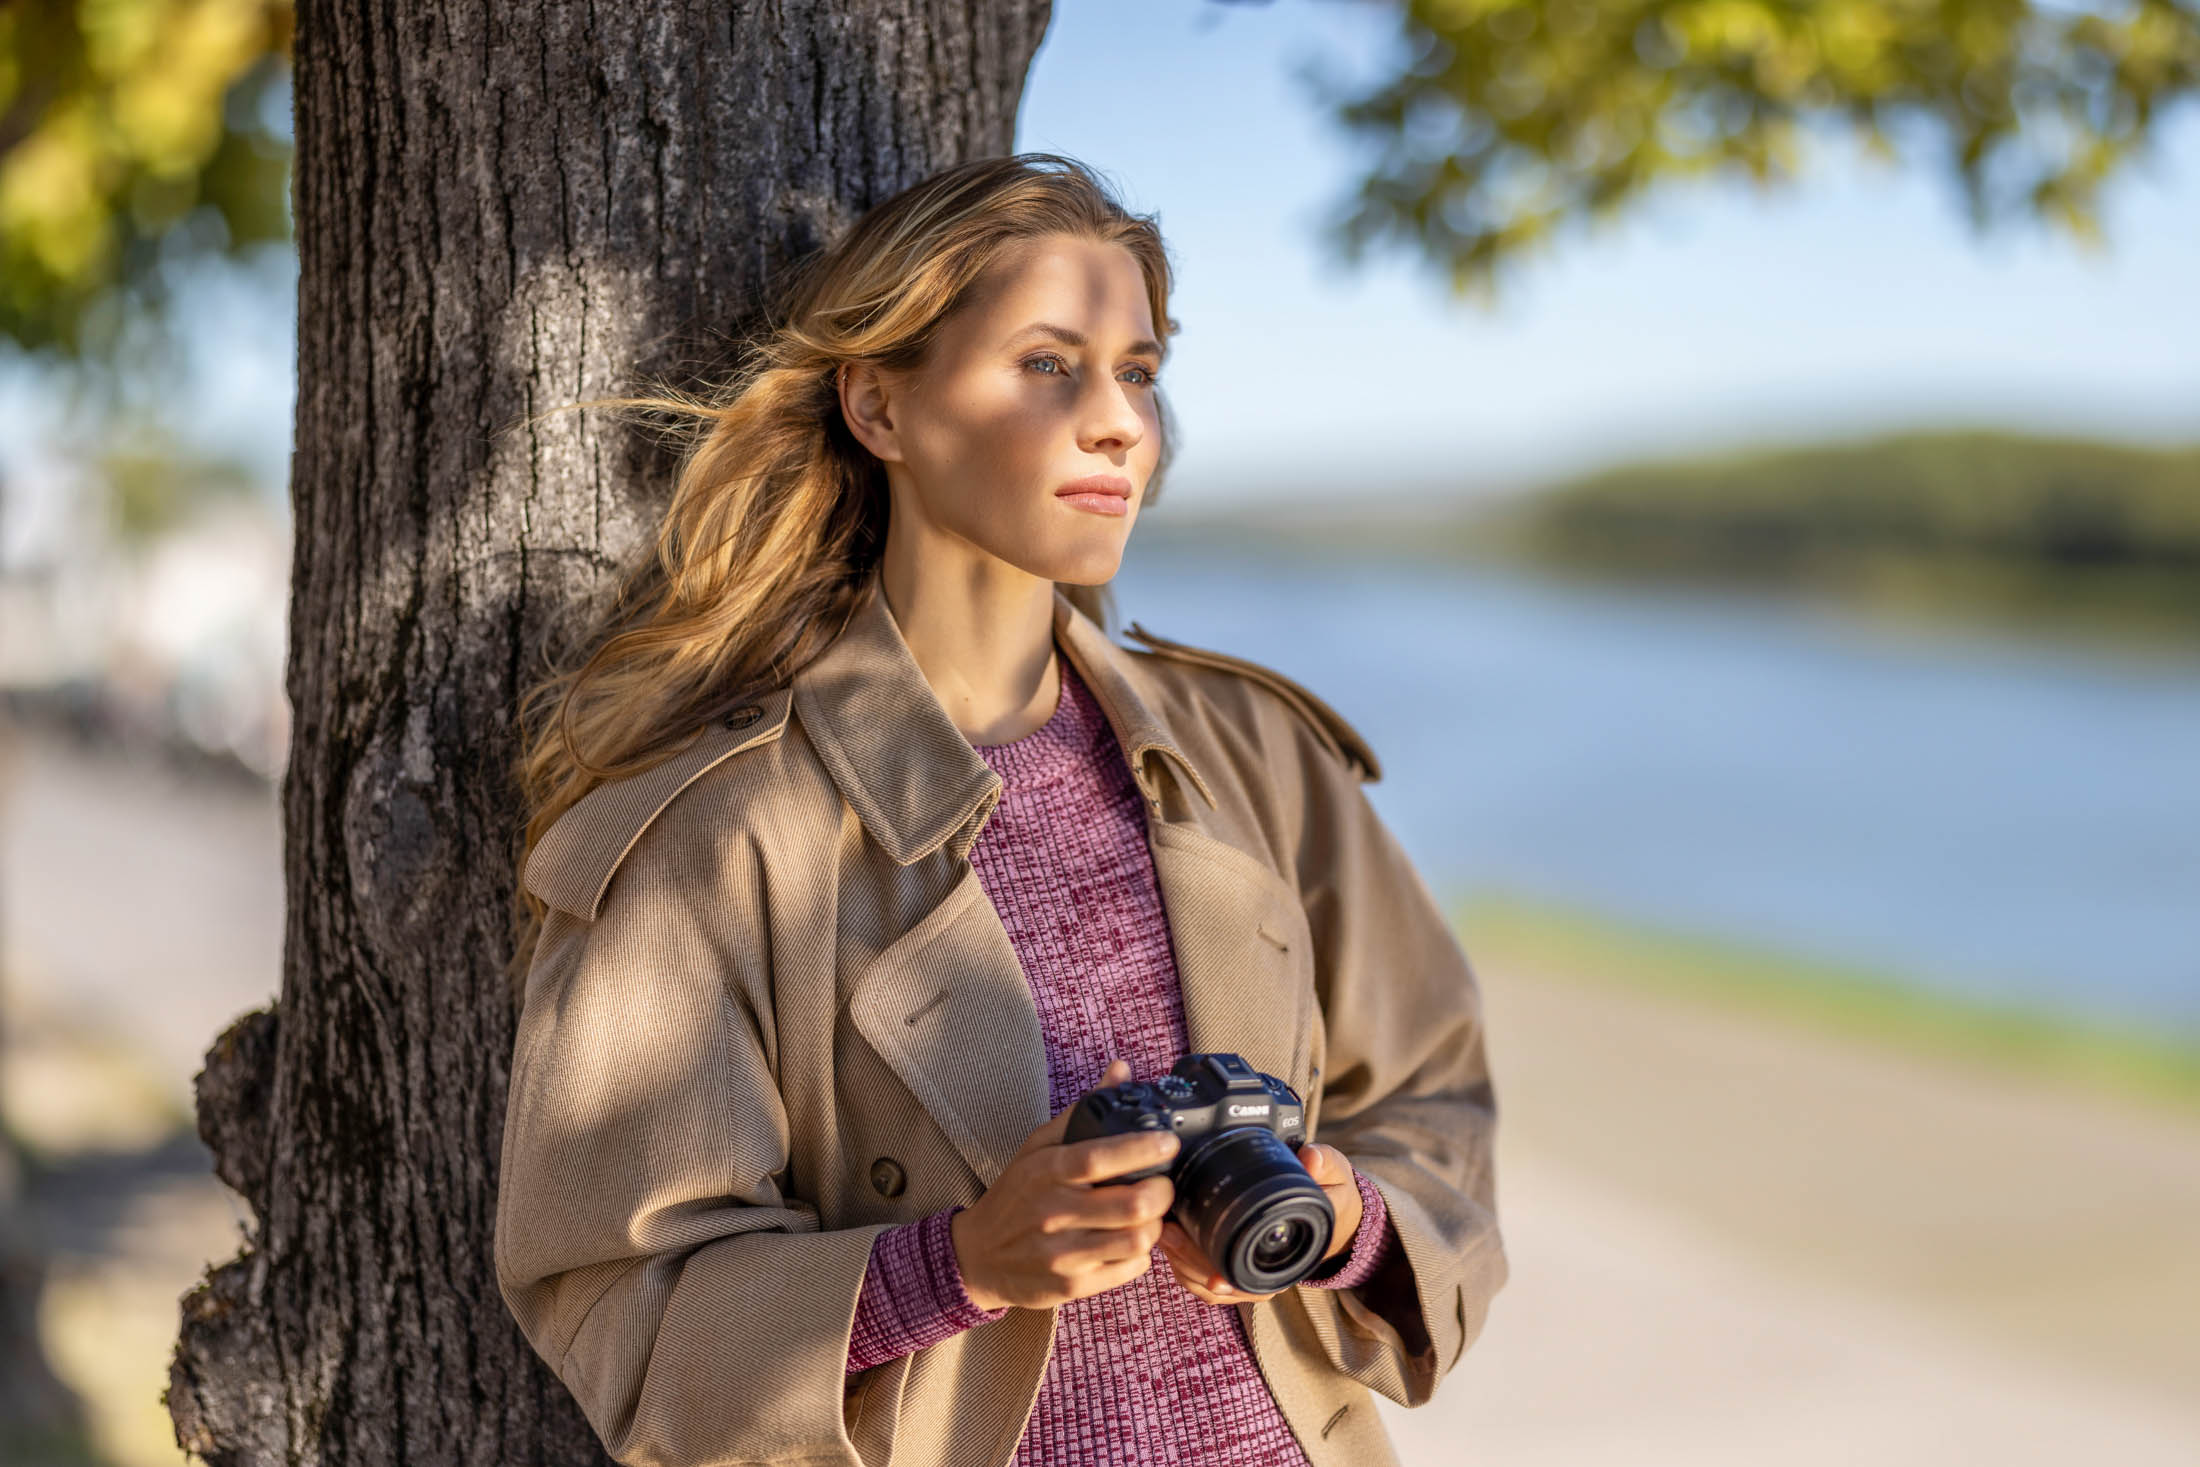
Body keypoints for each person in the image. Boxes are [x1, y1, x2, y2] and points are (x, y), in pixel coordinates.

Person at [496, 152, 1507, 1467]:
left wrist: (1348, 1215)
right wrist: (956, 1263)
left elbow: (1435, 1095)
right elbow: (615, 1301)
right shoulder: (721, 835)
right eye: (1048, 364)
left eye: (1138, 372)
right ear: (881, 406)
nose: (1120, 424)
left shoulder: (1260, 757)